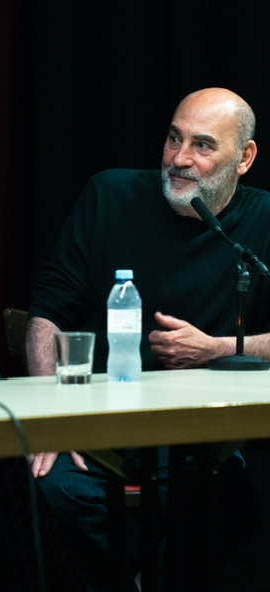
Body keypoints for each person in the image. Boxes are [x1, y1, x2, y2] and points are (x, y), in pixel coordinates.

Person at [25, 87, 270, 590]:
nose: (179, 158)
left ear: (244, 158)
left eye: (203, 145)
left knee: (237, 512)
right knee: (53, 492)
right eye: (174, 138)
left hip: (209, 441)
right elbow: (46, 313)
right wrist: (51, 417)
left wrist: (218, 348)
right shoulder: (110, 195)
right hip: (97, 431)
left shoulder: (262, 220)